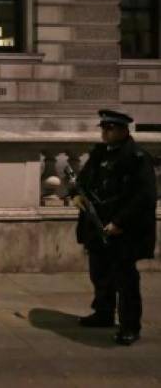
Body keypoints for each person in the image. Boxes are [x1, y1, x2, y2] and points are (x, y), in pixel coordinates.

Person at [74, 110, 157, 346]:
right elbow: (84, 180)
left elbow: (144, 197)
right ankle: (103, 313)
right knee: (99, 273)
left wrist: (120, 222)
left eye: (110, 129)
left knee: (126, 280)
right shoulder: (99, 153)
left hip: (124, 230)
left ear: (123, 130)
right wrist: (78, 196)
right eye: (103, 129)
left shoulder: (137, 157)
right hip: (97, 225)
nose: (105, 133)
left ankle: (130, 326)